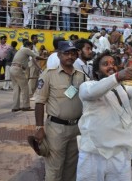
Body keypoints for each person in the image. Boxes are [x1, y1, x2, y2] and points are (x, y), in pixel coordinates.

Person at [76, 51, 132, 180]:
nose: (111, 66)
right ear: (97, 71)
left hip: (119, 154)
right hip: (93, 153)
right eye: (105, 64)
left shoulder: (125, 89)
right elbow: (92, 93)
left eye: (113, 64)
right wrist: (118, 77)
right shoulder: (87, 86)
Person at [34, 41, 85, 181]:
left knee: (71, 167)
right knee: (54, 169)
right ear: (59, 55)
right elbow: (39, 102)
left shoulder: (81, 75)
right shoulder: (48, 75)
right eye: (66, 53)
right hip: (56, 129)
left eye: (73, 53)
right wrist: (39, 127)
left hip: (76, 128)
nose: (70, 56)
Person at [10, 41, 45, 111]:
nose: (32, 47)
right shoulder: (26, 49)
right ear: (30, 45)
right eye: (32, 46)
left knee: (16, 88)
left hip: (13, 68)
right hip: (18, 69)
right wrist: (46, 58)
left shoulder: (21, 50)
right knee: (25, 88)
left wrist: (39, 68)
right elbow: (37, 57)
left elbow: (34, 60)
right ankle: (26, 106)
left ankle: (15, 107)